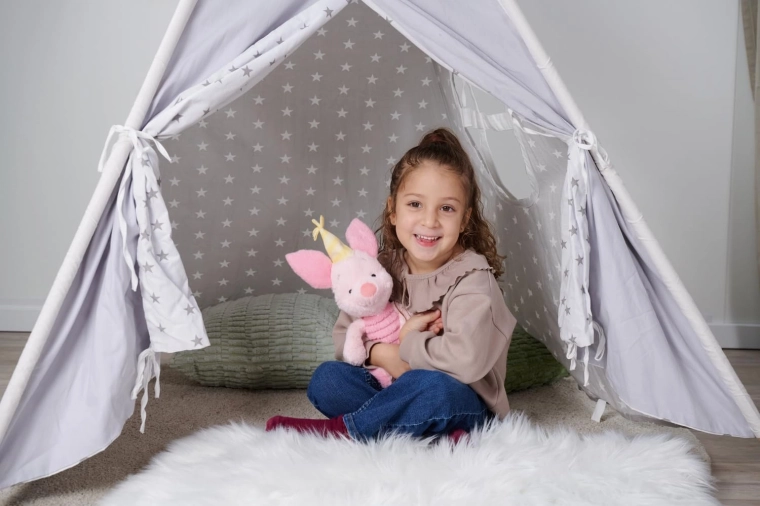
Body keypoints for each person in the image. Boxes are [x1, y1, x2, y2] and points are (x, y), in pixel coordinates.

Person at [266, 128, 517, 441]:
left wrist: (408, 341)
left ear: (464, 220)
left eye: (447, 208)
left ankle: (347, 431)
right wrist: (382, 354)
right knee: (327, 379)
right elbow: (344, 336)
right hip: (393, 390)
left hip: (462, 400)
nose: (429, 221)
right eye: (415, 204)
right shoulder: (381, 269)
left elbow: (465, 362)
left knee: (432, 388)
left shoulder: (473, 278)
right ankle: (427, 433)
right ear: (393, 210)